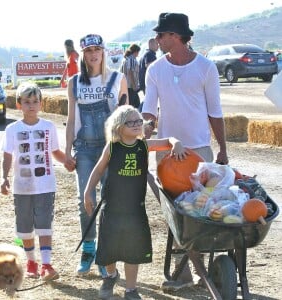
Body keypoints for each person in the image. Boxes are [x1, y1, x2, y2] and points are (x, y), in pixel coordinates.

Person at [141, 12, 229, 292]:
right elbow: (150, 110)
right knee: (175, 214)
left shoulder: (206, 68)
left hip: (199, 150)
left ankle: (196, 269)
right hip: (168, 152)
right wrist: (144, 129)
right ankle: (184, 276)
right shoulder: (155, 69)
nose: (157, 40)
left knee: (199, 211)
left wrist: (223, 148)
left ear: (176, 37)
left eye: (161, 35)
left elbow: (214, 111)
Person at [84, 105, 187, 300]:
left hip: (135, 209)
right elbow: (98, 171)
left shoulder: (144, 145)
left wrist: (177, 143)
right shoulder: (112, 146)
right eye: (130, 122)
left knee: (133, 250)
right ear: (118, 126)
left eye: (139, 121)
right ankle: (111, 276)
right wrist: (88, 191)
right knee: (109, 249)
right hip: (112, 207)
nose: (137, 125)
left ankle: (131, 289)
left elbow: (168, 141)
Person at [64, 34, 128, 278]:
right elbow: (71, 120)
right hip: (86, 149)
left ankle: (105, 254)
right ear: (82, 54)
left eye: (97, 50)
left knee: (110, 202)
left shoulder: (117, 79)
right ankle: (88, 249)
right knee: (86, 200)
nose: (93, 54)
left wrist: (124, 148)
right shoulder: (75, 82)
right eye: (88, 50)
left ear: (103, 52)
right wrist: (68, 149)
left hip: (110, 148)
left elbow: (126, 117)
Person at [0, 82, 75, 281]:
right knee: (25, 228)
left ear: (41, 104)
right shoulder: (12, 129)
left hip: (45, 186)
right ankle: (32, 262)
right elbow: (7, 156)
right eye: (27, 102)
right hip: (22, 188)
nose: (31, 106)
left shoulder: (48, 127)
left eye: (35, 102)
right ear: (18, 105)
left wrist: (66, 160)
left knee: (44, 226)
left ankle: (47, 264)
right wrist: (4, 178)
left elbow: (55, 151)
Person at [120, 43, 141, 108]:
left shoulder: (126, 59)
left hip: (127, 85)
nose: (138, 54)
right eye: (138, 52)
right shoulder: (131, 59)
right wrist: (134, 85)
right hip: (130, 86)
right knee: (133, 105)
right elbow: (130, 72)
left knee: (136, 103)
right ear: (136, 51)